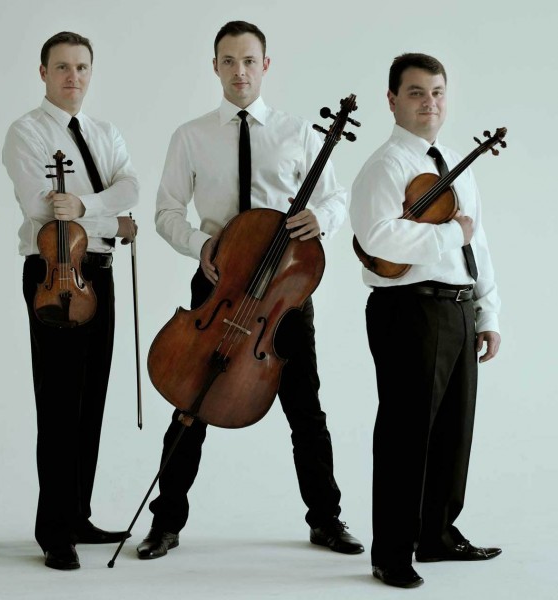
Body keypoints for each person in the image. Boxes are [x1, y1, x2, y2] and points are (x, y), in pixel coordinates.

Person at [138, 20, 363, 561]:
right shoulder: (190, 136)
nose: (239, 71)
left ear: (266, 65)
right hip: (218, 283)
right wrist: (202, 245)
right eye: (229, 61)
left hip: (282, 294)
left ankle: (326, 519)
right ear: (215, 66)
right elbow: (166, 211)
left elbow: (336, 196)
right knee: (190, 403)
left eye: (249, 60)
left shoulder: (299, 132)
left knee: (305, 408)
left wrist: (321, 219)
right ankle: (165, 523)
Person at [350, 53, 502, 589]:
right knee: (405, 433)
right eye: (416, 92)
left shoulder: (456, 161)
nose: (429, 103)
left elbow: (479, 242)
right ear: (392, 100)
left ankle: (436, 534)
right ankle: (391, 553)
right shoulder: (384, 166)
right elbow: (377, 237)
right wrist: (451, 233)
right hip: (407, 309)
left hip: (457, 307)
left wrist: (487, 310)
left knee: (454, 431)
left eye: (437, 92)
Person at [2, 31, 139, 571]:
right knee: (59, 401)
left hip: (99, 272)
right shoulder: (26, 132)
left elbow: (130, 188)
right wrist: (111, 220)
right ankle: (54, 530)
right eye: (61, 67)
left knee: (91, 399)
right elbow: (43, 209)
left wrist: (85, 206)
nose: (72, 77)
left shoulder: (105, 132)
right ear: (43, 73)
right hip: (53, 272)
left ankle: (78, 514)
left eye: (81, 67)